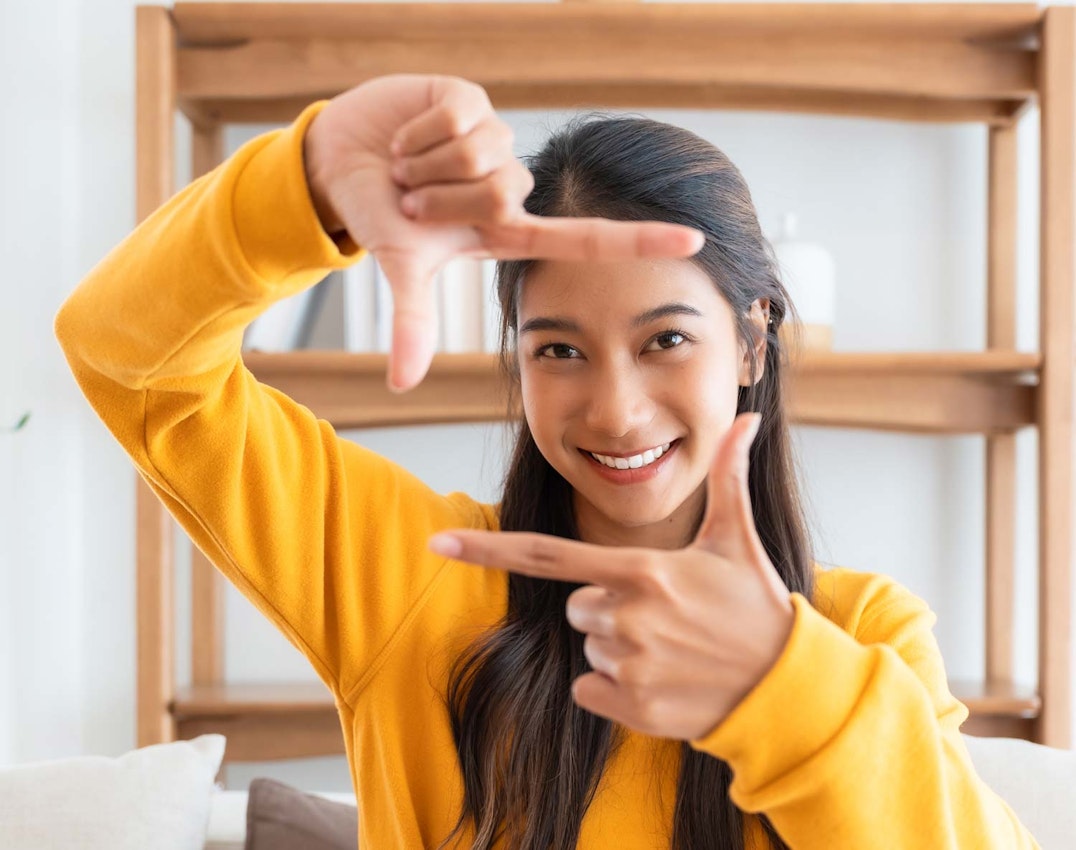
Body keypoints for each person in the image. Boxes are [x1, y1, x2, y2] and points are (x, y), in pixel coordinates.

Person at [55, 74, 1038, 850]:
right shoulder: (414, 576)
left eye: (664, 340)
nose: (612, 409)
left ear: (749, 343)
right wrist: (301, 181)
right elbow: (125, 355)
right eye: (557, 349)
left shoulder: (858, 633)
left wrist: (785, 689)